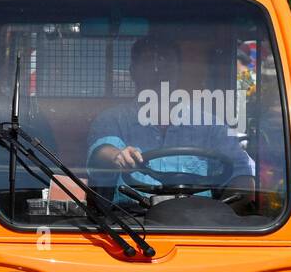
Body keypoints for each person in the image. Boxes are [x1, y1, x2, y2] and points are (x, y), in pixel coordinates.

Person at [86, 36, 254, 200]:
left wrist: (232, 216)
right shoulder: (112, 120)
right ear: (133, 71)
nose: (157, 71)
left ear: (178, 70)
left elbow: (240, 174)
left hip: (199, 224)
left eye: (165, 62)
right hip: (130, 220)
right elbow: (102, 151)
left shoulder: (210, 125)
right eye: (148, 63)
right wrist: (118, 155)